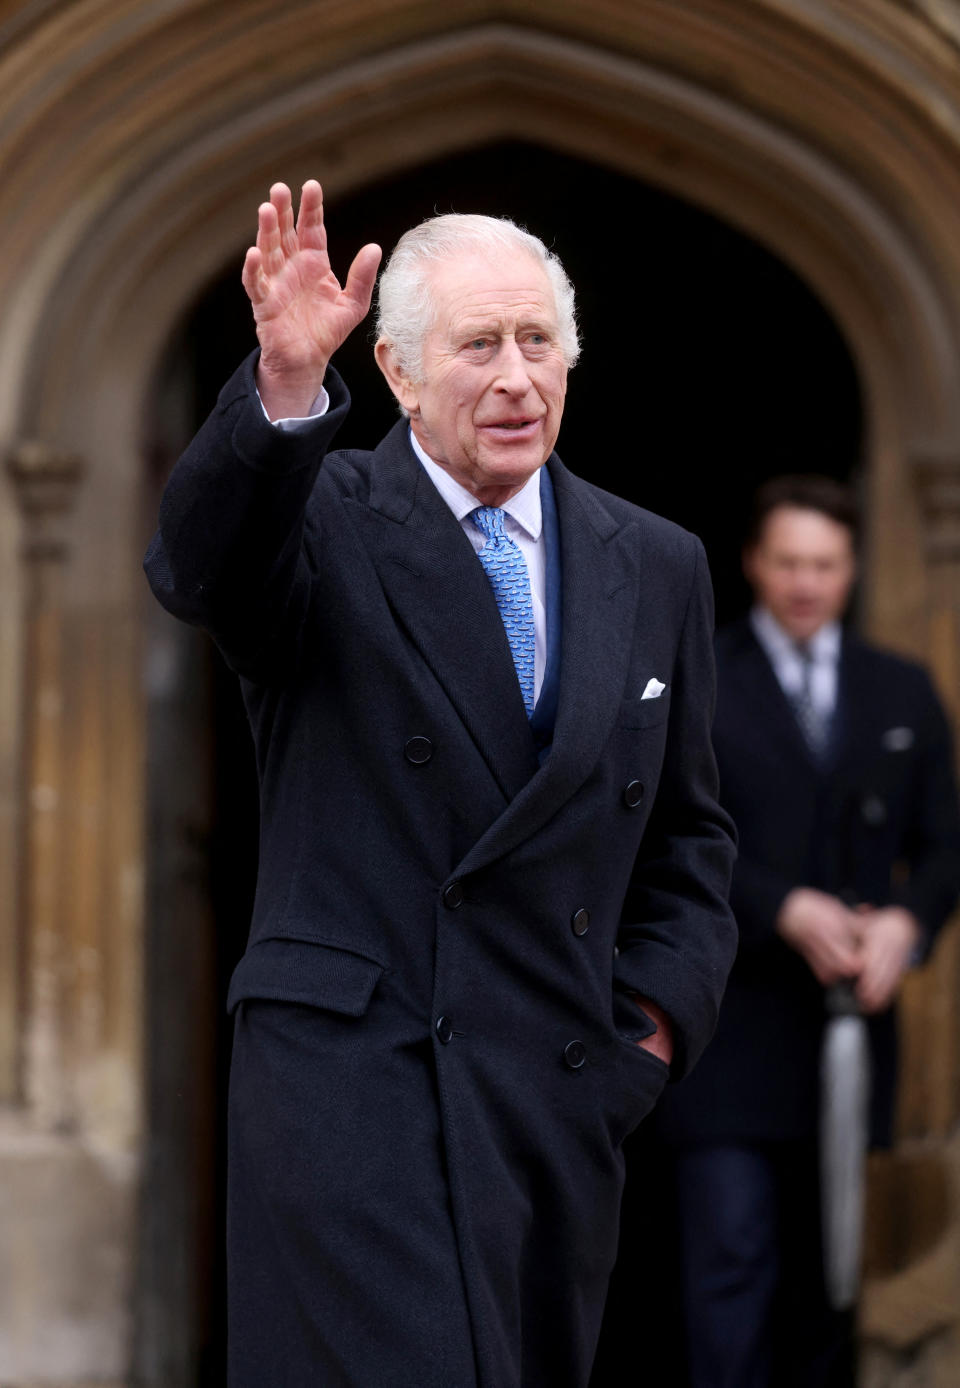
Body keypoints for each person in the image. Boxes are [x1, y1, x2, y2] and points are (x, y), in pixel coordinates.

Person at [144, 180, 738, 1388]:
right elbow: (198, 568)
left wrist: (651, 1028)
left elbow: (690, 838)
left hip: (556, 1093)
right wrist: (286, 391)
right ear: (401, 375)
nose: (517, 377)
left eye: (540, 342)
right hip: (354, 1089)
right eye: (479, 345)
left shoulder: (658, 561)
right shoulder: (321, 515)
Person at [651, 474, 960, 1387]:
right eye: (787, 561)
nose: (805, 583)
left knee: (836, 1282)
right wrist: (779, 905)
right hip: (728, 1036)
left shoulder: (900, 690)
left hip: (853, 1042)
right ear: (754, 563)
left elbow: (946, 846)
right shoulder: (700, 679)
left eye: (824, 564)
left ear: (852, 567)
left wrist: (909, 920)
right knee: (731, 1271)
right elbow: (661, 838)